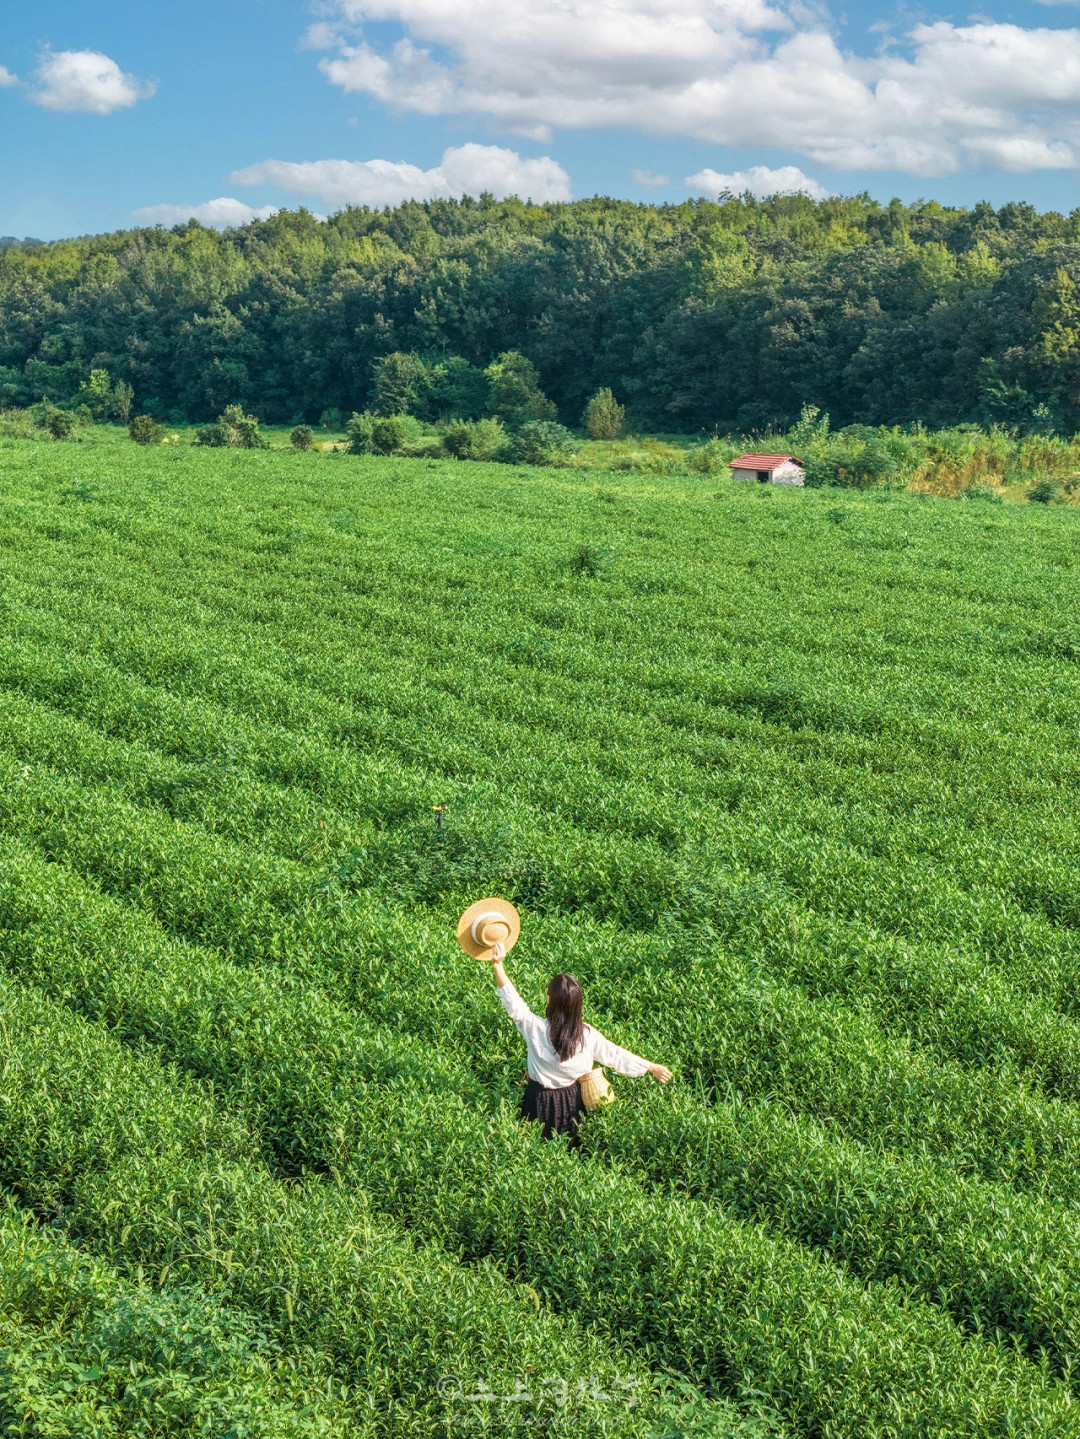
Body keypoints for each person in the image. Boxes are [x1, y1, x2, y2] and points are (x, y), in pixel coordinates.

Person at [487, 939, 672, 1146]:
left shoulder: (534, 1028)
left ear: (549, 999)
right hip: (573, 1102)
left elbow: (513, 1003)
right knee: (572, 1149)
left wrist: (498, 965)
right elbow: (614, 1055)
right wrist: (650, 1067)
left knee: (534, 1148)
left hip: (538, 1100)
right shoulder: (586, 1035)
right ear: (577, 1005)